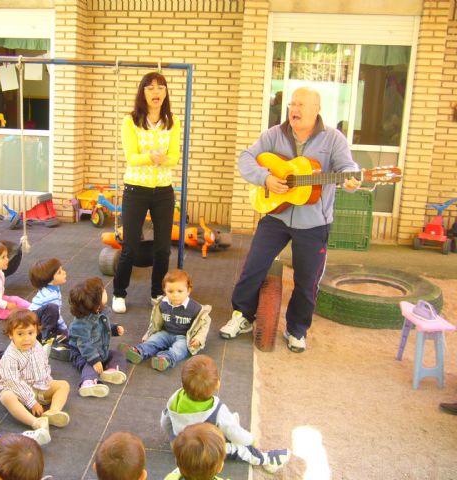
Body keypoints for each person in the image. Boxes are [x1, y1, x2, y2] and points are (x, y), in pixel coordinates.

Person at [219, 86, 361, 353]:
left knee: (307, 280)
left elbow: (348, 168)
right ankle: (242, 316)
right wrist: (266, 179)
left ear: (316, 109)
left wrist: (352, 179)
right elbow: (246, 158)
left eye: (300, 105)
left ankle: (296, 329)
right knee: (253, 268)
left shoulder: (333, 139)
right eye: (292, 104)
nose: (293, 109)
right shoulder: (274, 134)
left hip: (314, 223)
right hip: (275, 215)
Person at [112, 71, 180, 314]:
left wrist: (163, 160)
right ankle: (119, 292)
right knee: (130, 245)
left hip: (163, 191)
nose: (156, 92)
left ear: (165, 93)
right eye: (150, 88)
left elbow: (174, 157)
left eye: (161, 87)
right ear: (142, 92)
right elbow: (131, 157)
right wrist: (150, 157)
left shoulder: (172, 120)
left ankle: (157, 292)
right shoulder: (130, 121)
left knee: (163, 247)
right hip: (135, 189)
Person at [161, 354, 290, 473]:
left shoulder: (175, 397)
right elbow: (236, 434)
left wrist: (174, 441)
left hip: (182, 445)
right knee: (240, 448)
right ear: (217, 384)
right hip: (205, 451)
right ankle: (266, 460)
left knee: (226, 425)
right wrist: (251, 439)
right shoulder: (217, 409)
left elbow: (165, 421)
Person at [118, 269, 211, 372]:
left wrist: (198, 338)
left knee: (179, 348)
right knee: (154, 340)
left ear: (188, 290)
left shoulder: (195, 308)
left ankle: (165, 359)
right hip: (165, 333)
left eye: (180, 291)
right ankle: (139, 352)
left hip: (184, 337)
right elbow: (154, 322)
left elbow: (204, 324)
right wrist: (149, 334)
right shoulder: (162, 304)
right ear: (164, 290)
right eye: (170, 291)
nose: (175, 295)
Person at [0, 310, 69, 431]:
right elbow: (13, 382)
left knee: (63, 385)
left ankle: (53, 412)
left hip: (39, 386)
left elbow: (44, 364)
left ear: (36, 332)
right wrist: (31, 402)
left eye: (30, 333)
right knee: (6, 397)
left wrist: (47, 382)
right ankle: (34, 422)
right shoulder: (10, 357)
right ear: (11, 335)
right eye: (20, 334)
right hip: (19, 392)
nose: (26, 339)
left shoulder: (36, 345)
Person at [68, 277, 127, 398]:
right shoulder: (81, 324)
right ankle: (88, 383)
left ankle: (111, 371)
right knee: (90, 365)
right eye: (103, 290)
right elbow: (84, 344)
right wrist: (94, 360)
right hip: (82, 353)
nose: (106, 291)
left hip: (99, 349)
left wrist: (114, 329)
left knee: (118, 354)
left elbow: (102, 327)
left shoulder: (100, 312)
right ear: (95, 302)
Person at [29, 258, 69, 344]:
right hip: (33, 320)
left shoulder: (54, 289)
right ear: (49, 279)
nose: (64, 272)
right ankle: (46, 338)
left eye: (62, 270)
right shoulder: (50, 295)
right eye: (59, 272)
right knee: (52, 309)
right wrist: (65, 329)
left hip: (38, 318)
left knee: (65, 336)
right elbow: (56, 314)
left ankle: (50, 335)